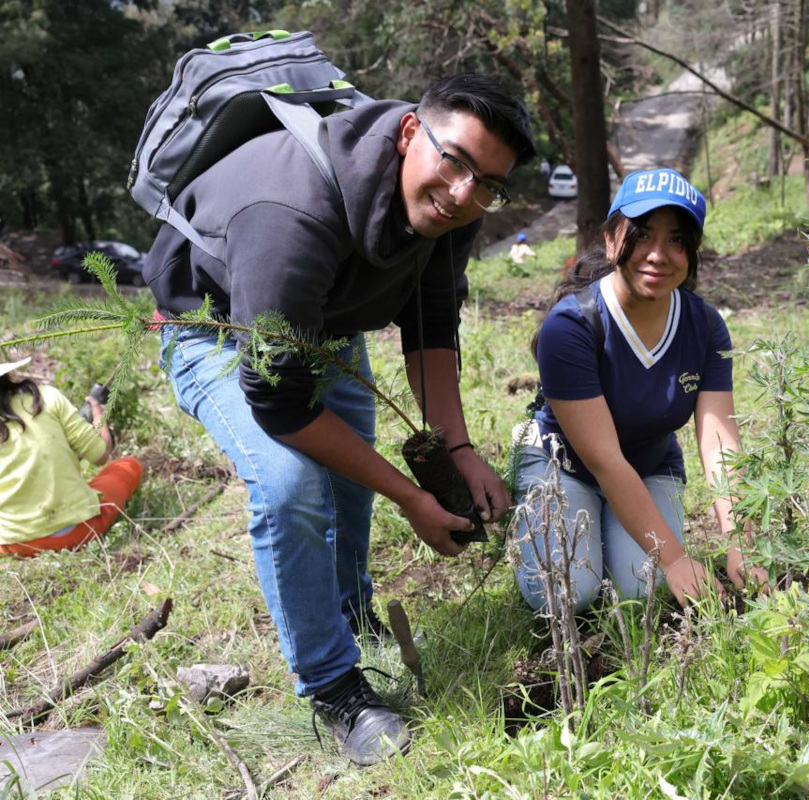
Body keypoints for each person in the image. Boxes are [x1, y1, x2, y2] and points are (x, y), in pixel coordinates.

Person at [141, 74, 535, 765]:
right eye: (457, 162)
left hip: (322, 319)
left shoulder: (454, 206)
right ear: (412, 132)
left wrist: (461, 449)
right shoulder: (290, 212)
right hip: (219, 328)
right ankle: (333, 688)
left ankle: (352, 611)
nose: (465, 194)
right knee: (292, 486)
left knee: (353, 479)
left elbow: (431, 321)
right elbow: (282, 404)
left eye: (490, 185)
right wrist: (413, 497)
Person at [514, 168, 768, 615]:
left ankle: (618, 536)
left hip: (650, 465)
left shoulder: (705, 325)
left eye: (676, 240)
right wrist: (674, 559)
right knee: (569, 593)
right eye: (643, 235)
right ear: (612, 238)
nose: (657, 255)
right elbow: (605, 461)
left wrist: (740, 540)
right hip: (566, 466)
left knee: (638, 590)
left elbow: (719, 442)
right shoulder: (570, 327)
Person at [0, 357, 143, 558]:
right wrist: (98, 417)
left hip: (13, 545)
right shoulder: (45, 397)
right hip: (78, 532)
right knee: (129, 465)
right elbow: (101, 454)